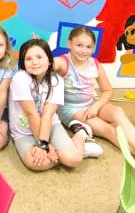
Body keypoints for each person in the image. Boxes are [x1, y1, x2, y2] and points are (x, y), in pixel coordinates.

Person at [53, 26, 135, 167]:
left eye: (88, 47)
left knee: (118, 112)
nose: (84, 50)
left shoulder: (95, 64)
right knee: (108, 129)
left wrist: (96, 107)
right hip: (71, 110)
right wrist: (40, 50)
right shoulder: (62, 62)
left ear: (93, 48)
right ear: (69, 43)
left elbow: (108, 90)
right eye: (79, 45)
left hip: (91, 103)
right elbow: (46, 63)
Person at [10, 39, 94, 171]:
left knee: (73, 159)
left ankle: (80, 135)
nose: (34, 62)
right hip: (24, 131)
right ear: (23, 63)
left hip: (50, 125)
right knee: (36, 163)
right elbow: (31, 114)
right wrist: (46, 145)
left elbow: (48, 115)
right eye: (28, 59)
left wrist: (44, 144)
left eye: (39, 57)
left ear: (49, 60)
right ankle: (71, 151)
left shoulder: (57, 80)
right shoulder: (19, 79)